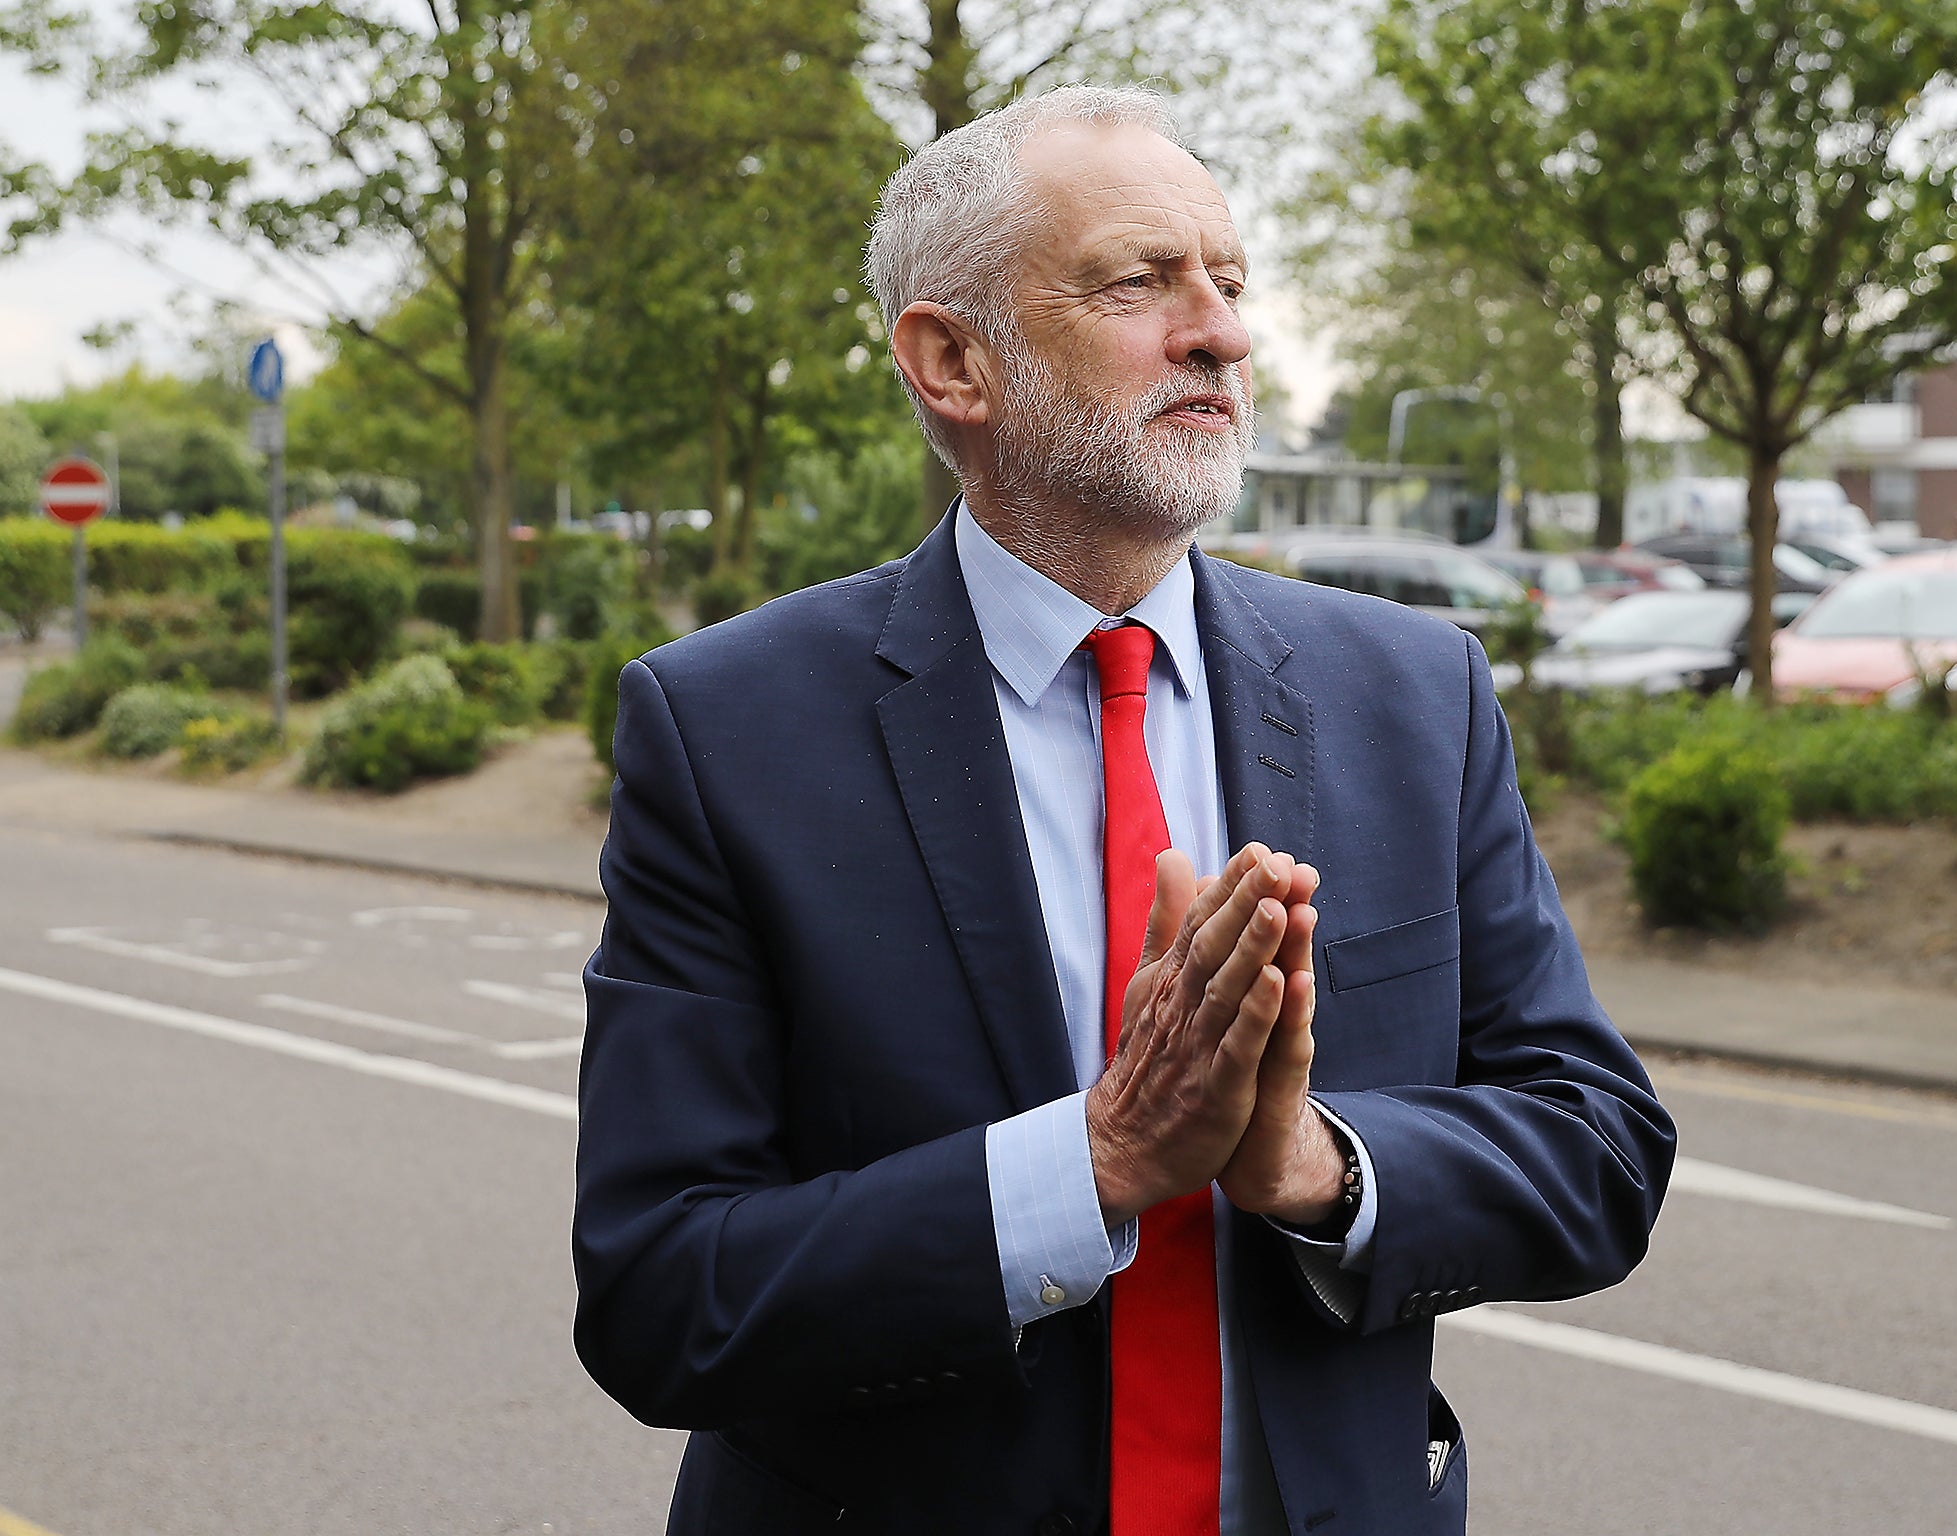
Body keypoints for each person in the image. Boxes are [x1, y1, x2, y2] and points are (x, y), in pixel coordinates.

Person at [573, 84, 1676, 1536]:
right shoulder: (725, 731)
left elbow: (1596, 1145)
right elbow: (662, 1292)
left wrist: (1314, 1164)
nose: (1217, 328)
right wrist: (1087, 1168)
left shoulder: (1416, 696)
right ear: (953, 360)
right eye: (1139, 282)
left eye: (1228, 281)